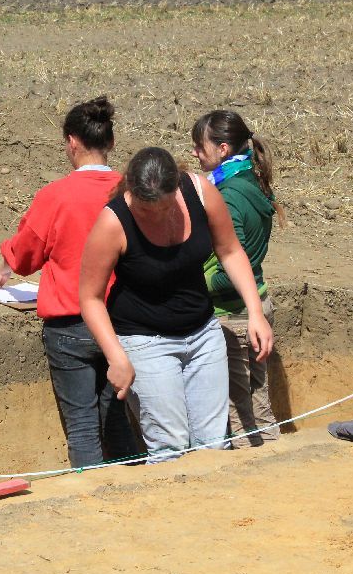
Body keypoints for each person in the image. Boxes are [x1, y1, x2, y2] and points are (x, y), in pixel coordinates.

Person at [79, 147, 274, 462]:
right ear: (131, 192)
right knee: (171, 447)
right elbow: (90, 298)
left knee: (214, 444)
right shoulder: (113, 222)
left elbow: (230, 250)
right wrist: (116, 356)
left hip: (203, 332)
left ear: (178, 186)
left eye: (166, 206)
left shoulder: (200, 192)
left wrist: (255, 311)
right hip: (145, 339)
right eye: (146, 210)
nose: (158, 215)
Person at [0, 96, 139, 468]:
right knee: (117, 418)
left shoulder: (54, 196)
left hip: (68, 325)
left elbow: (24, 256)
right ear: (111, 142)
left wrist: (4, 268)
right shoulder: (131, 192)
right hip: (121, 322)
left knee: (82, 427)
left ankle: (88, 493)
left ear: (71, 142)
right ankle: (134, 483)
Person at [191, 110, 286, 448]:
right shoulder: (251, 181)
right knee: (258, 403)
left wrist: (197, 288)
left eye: (200, 147)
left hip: (234, 315)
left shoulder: (228, 195)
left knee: (238, 408)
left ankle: (253, 471)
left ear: (223, 149)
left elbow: (234, 264)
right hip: (257, 303)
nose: (195, 153)